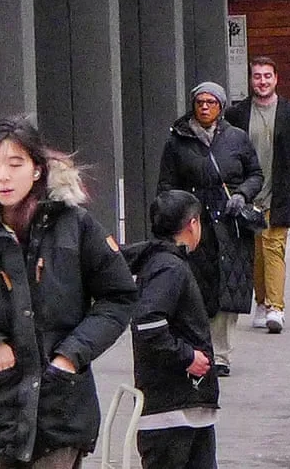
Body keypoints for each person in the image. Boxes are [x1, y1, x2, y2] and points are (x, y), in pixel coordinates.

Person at [0, 116, 138, 468]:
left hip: (61, 409)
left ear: (37, 169)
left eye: (15, 164)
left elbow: (119, 296)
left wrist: (71, 355)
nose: (3, 176)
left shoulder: (75, 225)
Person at [158, 81, 264, 376]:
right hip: (193, 222)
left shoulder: (237, 138)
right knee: (195, 286)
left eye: (211, 102)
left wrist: (242, 194)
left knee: (226, 287)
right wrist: (175, 216)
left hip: (229, 223)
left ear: (221, 106)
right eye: (200, 102)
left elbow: (256, 174)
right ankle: (198, 349)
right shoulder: (177, 140)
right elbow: (166, 184)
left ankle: (221, 354)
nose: (205, 107)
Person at [125, 190, 219, 468]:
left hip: (187, 407)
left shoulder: (162, 262)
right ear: (192, 223)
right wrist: (187, 357)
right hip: (173, 407)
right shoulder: (169, 268)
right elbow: (148, 323)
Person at [225, 57, 290, 335]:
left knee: (274, 249)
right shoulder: (237, 115)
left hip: (277, 196)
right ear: (250, 80)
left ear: (276, 78)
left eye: (267, 76)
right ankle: (261, 301)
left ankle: (276, 307)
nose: (262, 81)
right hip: (246, 195)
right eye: (257, 76)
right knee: (255, 254)